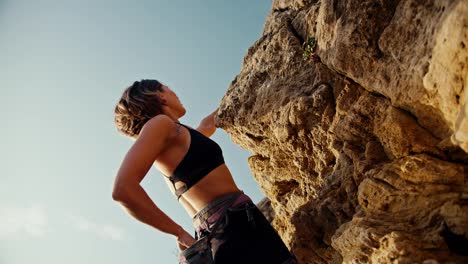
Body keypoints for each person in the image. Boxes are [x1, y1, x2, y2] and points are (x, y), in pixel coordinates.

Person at [112, 79, 297, 263]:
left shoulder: (178, 133)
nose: (174, 92)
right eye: (168, 88)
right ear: (160, 96)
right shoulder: (161, 124)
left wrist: (247, 85)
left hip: (225, 229)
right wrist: (178, 232)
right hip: (233, 228)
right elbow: (123, 190)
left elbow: (206, 126)